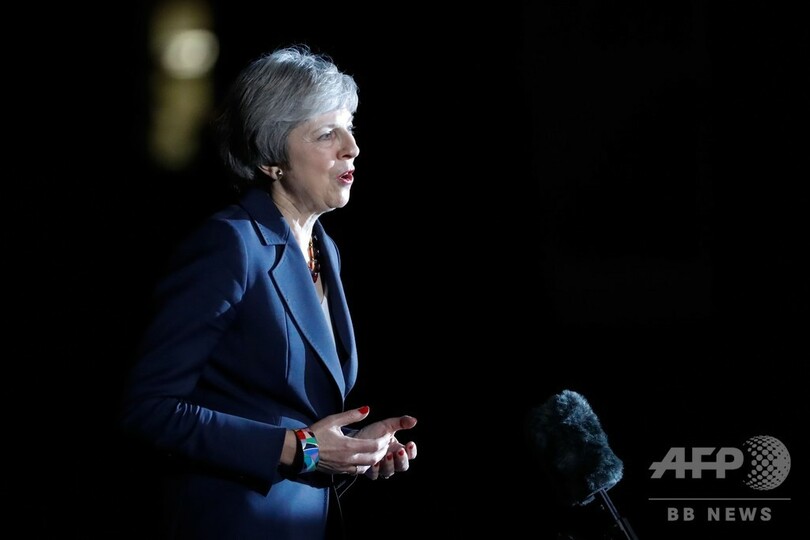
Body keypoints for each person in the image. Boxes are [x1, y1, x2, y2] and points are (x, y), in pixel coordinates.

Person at [118, 44, 418, 540]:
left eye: (349, 128)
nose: (352, 148)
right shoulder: (230, 245)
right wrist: (303, 449)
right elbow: (149, 410)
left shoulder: (324, 248)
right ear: (271, 158)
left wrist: (352, 451)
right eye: (327, 134)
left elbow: (285, 411)